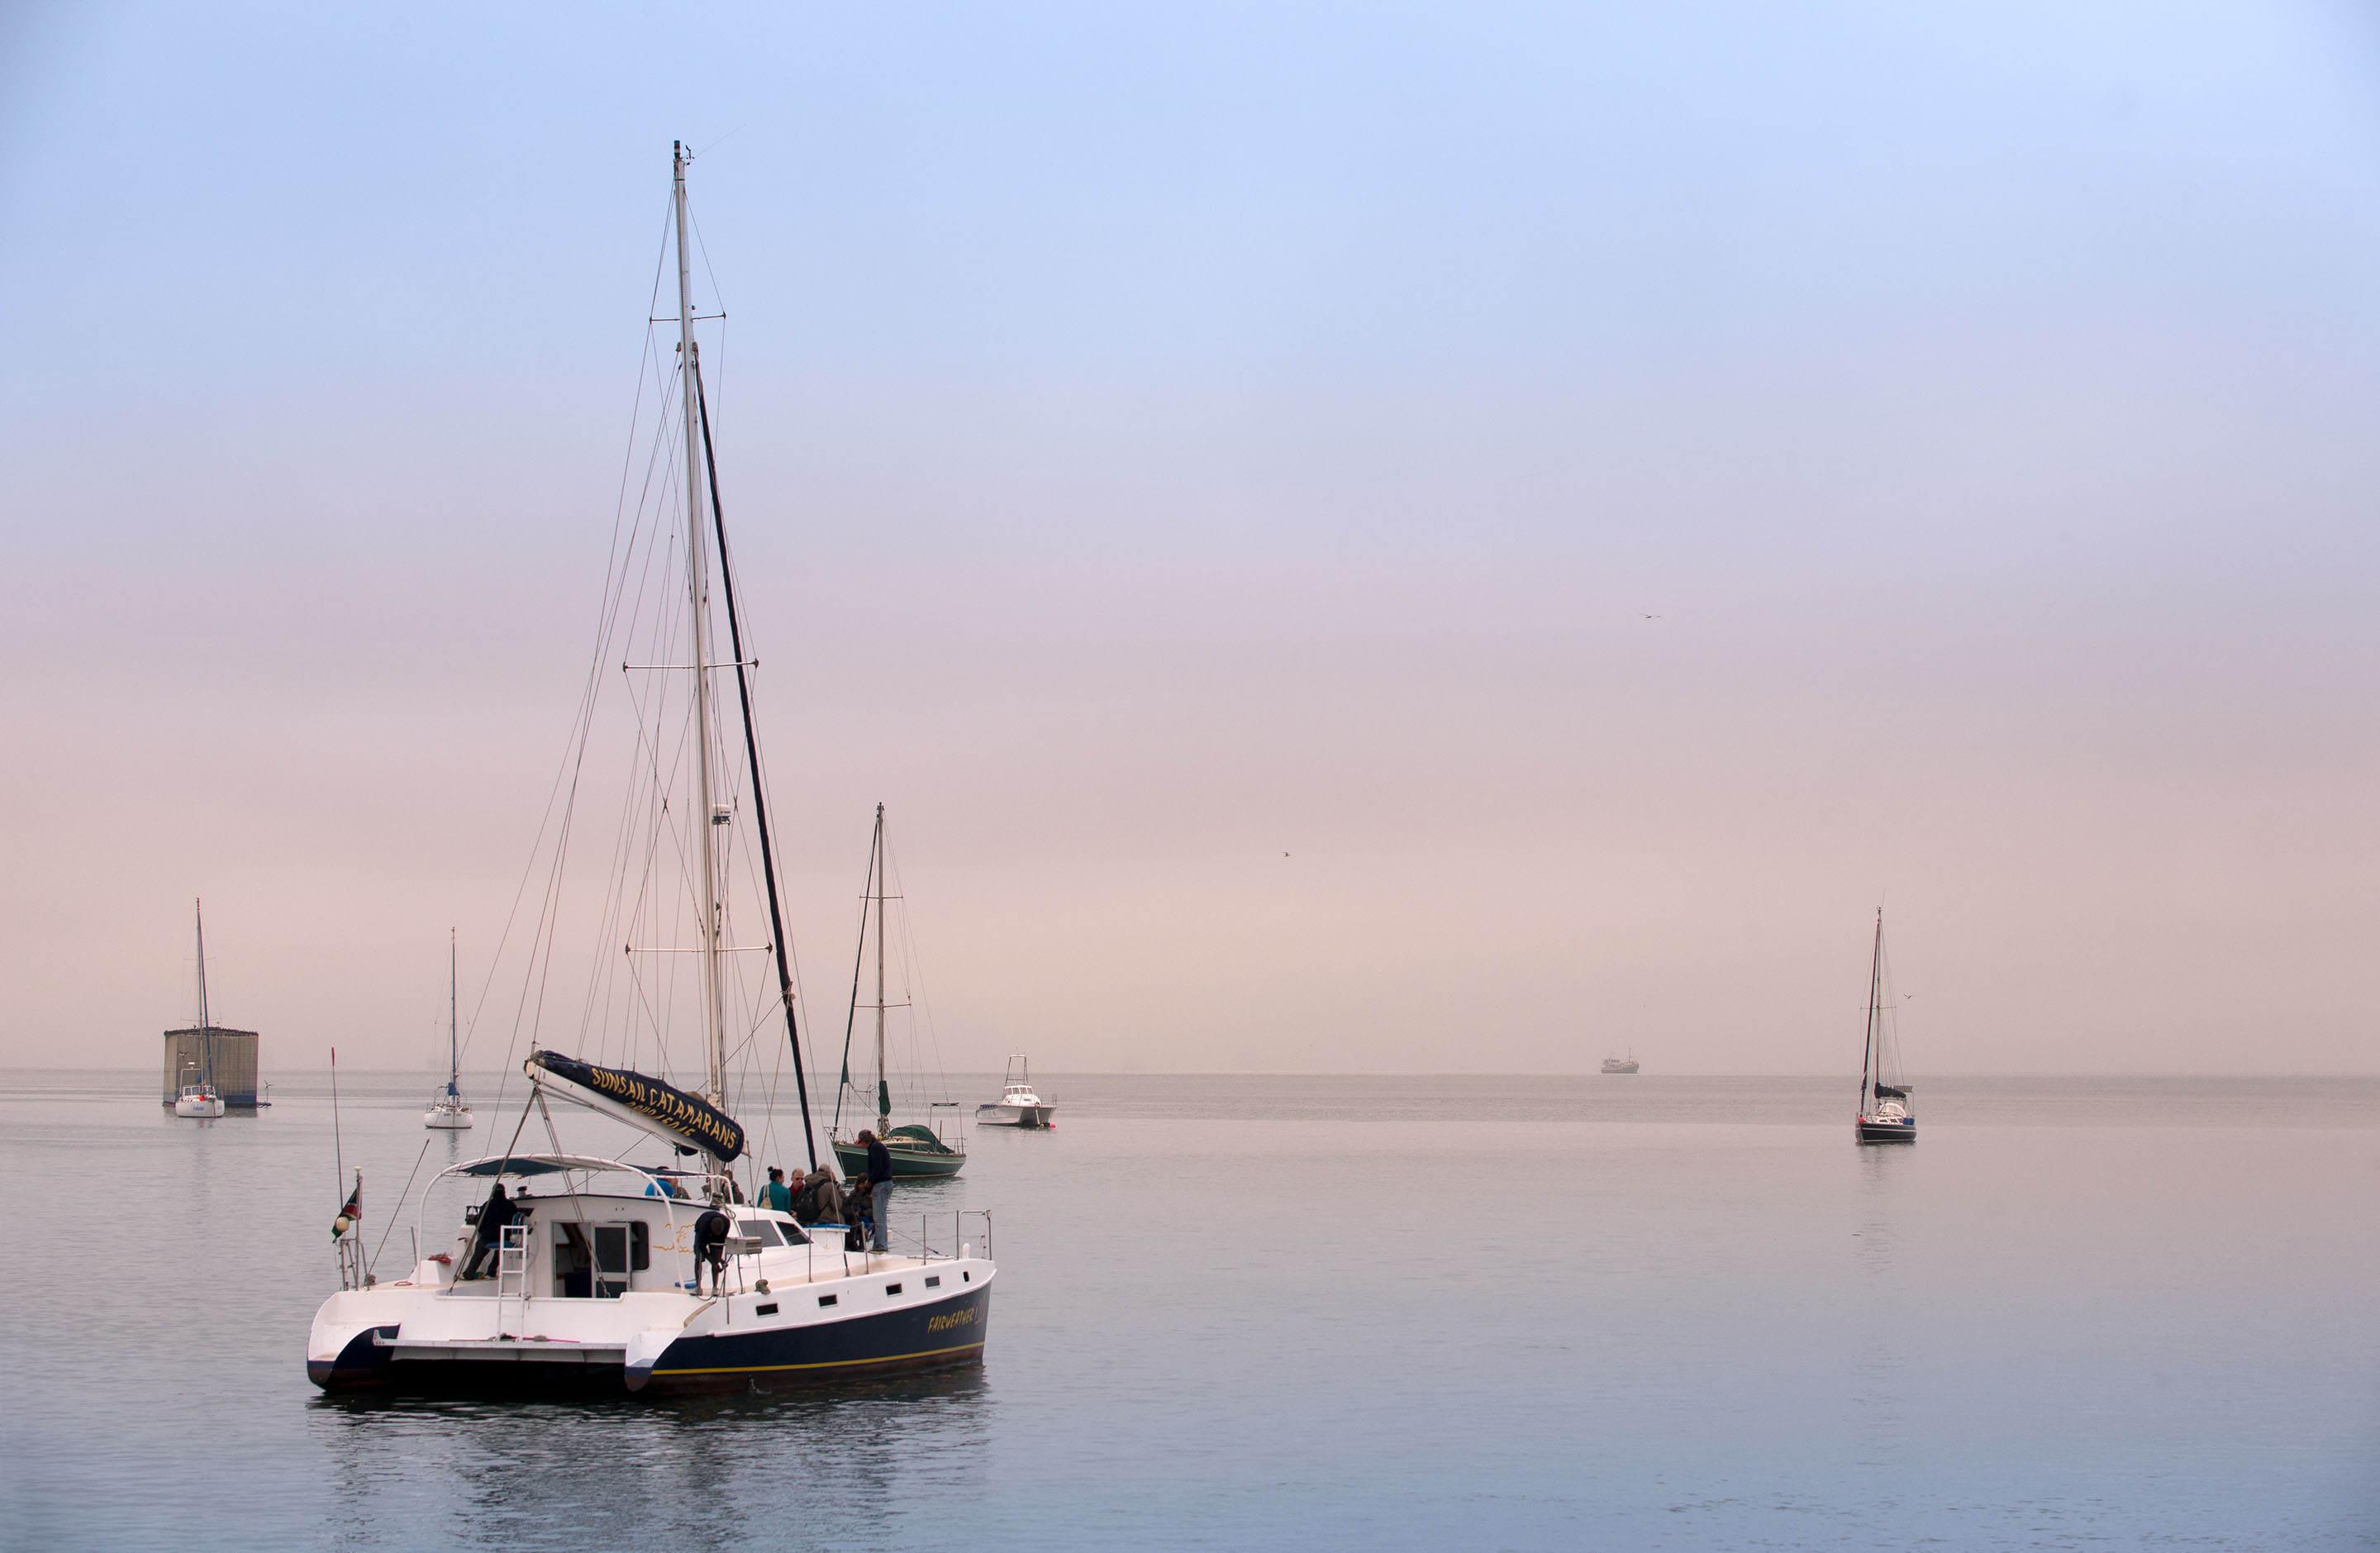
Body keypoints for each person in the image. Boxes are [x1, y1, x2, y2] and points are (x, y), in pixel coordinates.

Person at [460, 1180, 516, 1281]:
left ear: (493, 1193)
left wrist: (481, 1231)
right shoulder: (511, 1205)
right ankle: (491, 1272)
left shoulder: (487, 1205)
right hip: (504, 1237)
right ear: (504, 1193)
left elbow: (480, 1222)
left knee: (479, 1250)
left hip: (489, 1237)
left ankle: (468, 1274)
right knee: (500, 1250)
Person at [859, 1130, 893, 1253]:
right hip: (884, 1184)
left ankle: (881, 1245)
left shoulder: (875, 1148)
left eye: (860, 1143)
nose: (860, 1145)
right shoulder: (876, 1146)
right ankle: (879, 1244)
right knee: (880, 1216)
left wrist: (870, 1182)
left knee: (879, 1217)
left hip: (881, 1184)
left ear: (865, 1141)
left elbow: (877, 1168)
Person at [692, 1207, 732, 1295]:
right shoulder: (704, 1228)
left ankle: (715, 1288)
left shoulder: (726, 1223)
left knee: (716, 1259)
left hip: (717, 1234)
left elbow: (720, 1246)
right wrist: (714, 1263)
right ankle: (698, 1287)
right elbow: (702, 1248)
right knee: (698, 1259)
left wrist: (719, 1261)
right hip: (702, 1231)